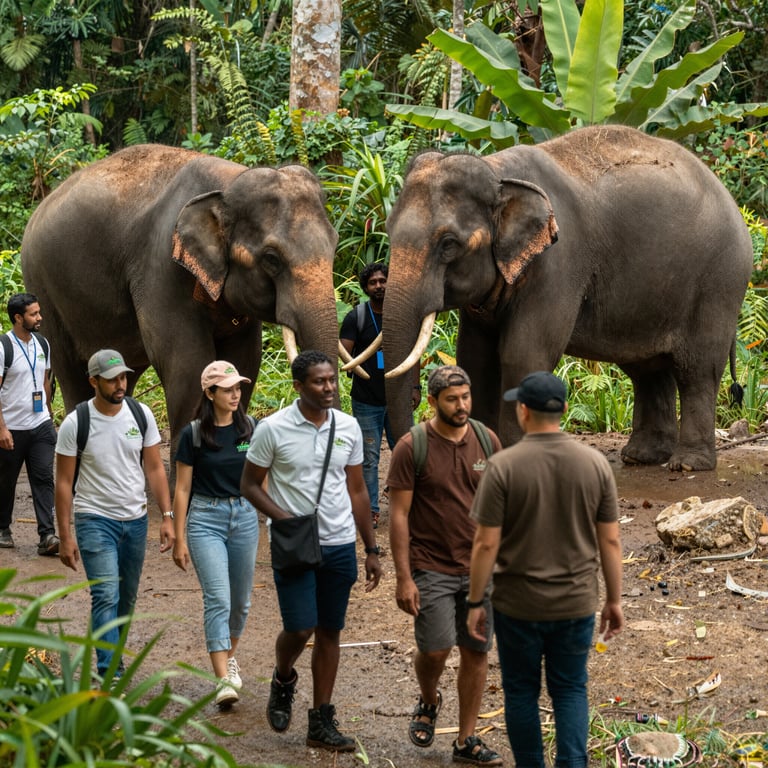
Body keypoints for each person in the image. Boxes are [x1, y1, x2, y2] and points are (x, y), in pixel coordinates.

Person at [466, 371, 624, 768]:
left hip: (518, 604)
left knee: (521, 692)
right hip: (575, 602)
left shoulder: (502, 467)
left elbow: (486, 543)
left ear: (523, 411)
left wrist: (474, 600)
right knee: (570, 689)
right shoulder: (594, 463)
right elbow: (610, 541)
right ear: (565, 409)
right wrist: (615, 600)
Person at [240, 349, 382, 752]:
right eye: (319, 382)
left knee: (330, 631)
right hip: (295, 541)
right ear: (298, 386)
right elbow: (249, 485)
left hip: (338, 543)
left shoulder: (349, 427)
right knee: (300, 626)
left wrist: (370, 547)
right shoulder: (273, 428)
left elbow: (357, 489)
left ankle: (321, 718)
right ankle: (283, 676)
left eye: (332, 380)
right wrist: (282, 518)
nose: (329, 388)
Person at [387, 365, 504, 766]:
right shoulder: (411, 446)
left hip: (478, 569)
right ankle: (428, 697)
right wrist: (403, 577)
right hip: (430, 564)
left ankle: (466, 740)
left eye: (466, 397)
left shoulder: (487, 441)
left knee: (476, 651)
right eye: (452, 399)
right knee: (435, 649)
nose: (462, 405)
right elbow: (399, 515)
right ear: (433, 401)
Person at [55, 349, 175, 679]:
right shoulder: (76, 422)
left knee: (125, 600)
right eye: (112, 380)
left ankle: (114, 662)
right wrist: (65, 536)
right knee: (106, 594)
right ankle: (110, 673)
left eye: (123, 377)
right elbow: (64, 482)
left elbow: (154, 468)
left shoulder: (140, 415)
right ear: (94, 381)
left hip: (135, 521)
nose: (120, 384)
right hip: (94, 518)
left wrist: (167, 516)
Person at [172, 361, 259, 710]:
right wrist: (178, 537)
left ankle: (228, 657)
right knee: (219, 598)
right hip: (205, 518)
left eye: (238, 387)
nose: (236, 394)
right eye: (228, 389)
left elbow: (261, 476)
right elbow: (181, 489)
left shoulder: (250, 428)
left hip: (244, 516)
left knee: (241, 602)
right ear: (210, 394)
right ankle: (222, 677)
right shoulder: (193, 434)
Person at [339, 262, 420, 528]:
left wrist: (415, 386)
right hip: (366, 399)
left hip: (398, 399)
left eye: (383, 281)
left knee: (406, 451)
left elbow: (414, 352)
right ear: (365, 288)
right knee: (369, 456)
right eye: (373, 282)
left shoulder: (401, 315)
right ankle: (371, 510)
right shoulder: (357, 317)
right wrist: (355, 367)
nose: (379, 286)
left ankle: (406, 501)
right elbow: (344, 352)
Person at [0, 293, 59, 554]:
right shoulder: (4, 347)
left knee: (44, 478)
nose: (39, 317)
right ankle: (3, 528)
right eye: (34, 314)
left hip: (41, 426)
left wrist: (48, 413)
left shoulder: (42, 344)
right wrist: (1, 428)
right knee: (6, 482)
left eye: (39, 312)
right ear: (18, 318)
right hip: (11, 428)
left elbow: (44, 380)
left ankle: (47, 536)